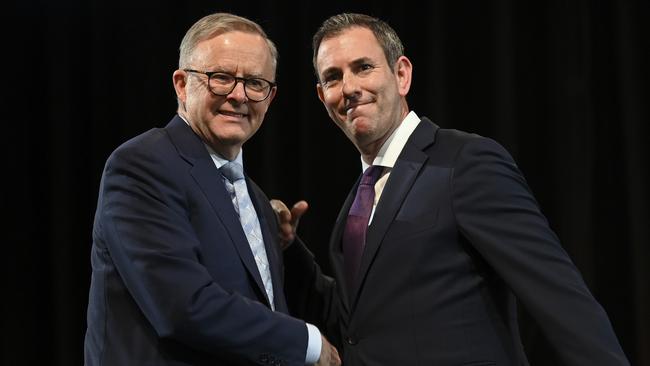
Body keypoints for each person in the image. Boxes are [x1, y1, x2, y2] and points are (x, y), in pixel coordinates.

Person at [274, 13, 630, 365]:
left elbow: (557, 293)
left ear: (401, 74)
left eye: (363, 67)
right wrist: (288, 250)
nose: (349, 87)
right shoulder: (358, 198)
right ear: (322, 97)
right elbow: (355, 326)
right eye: (333, 77)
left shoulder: (464, 162)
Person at [83, 12, 340, 366]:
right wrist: (309, 344)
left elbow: (266, 308)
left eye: (255, 83)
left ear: (271, 96)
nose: (239, 95)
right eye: (221, 78)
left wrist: (289, 249)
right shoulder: (142, 166)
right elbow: (182, 306)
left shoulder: (257, 202)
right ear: (181, 84)